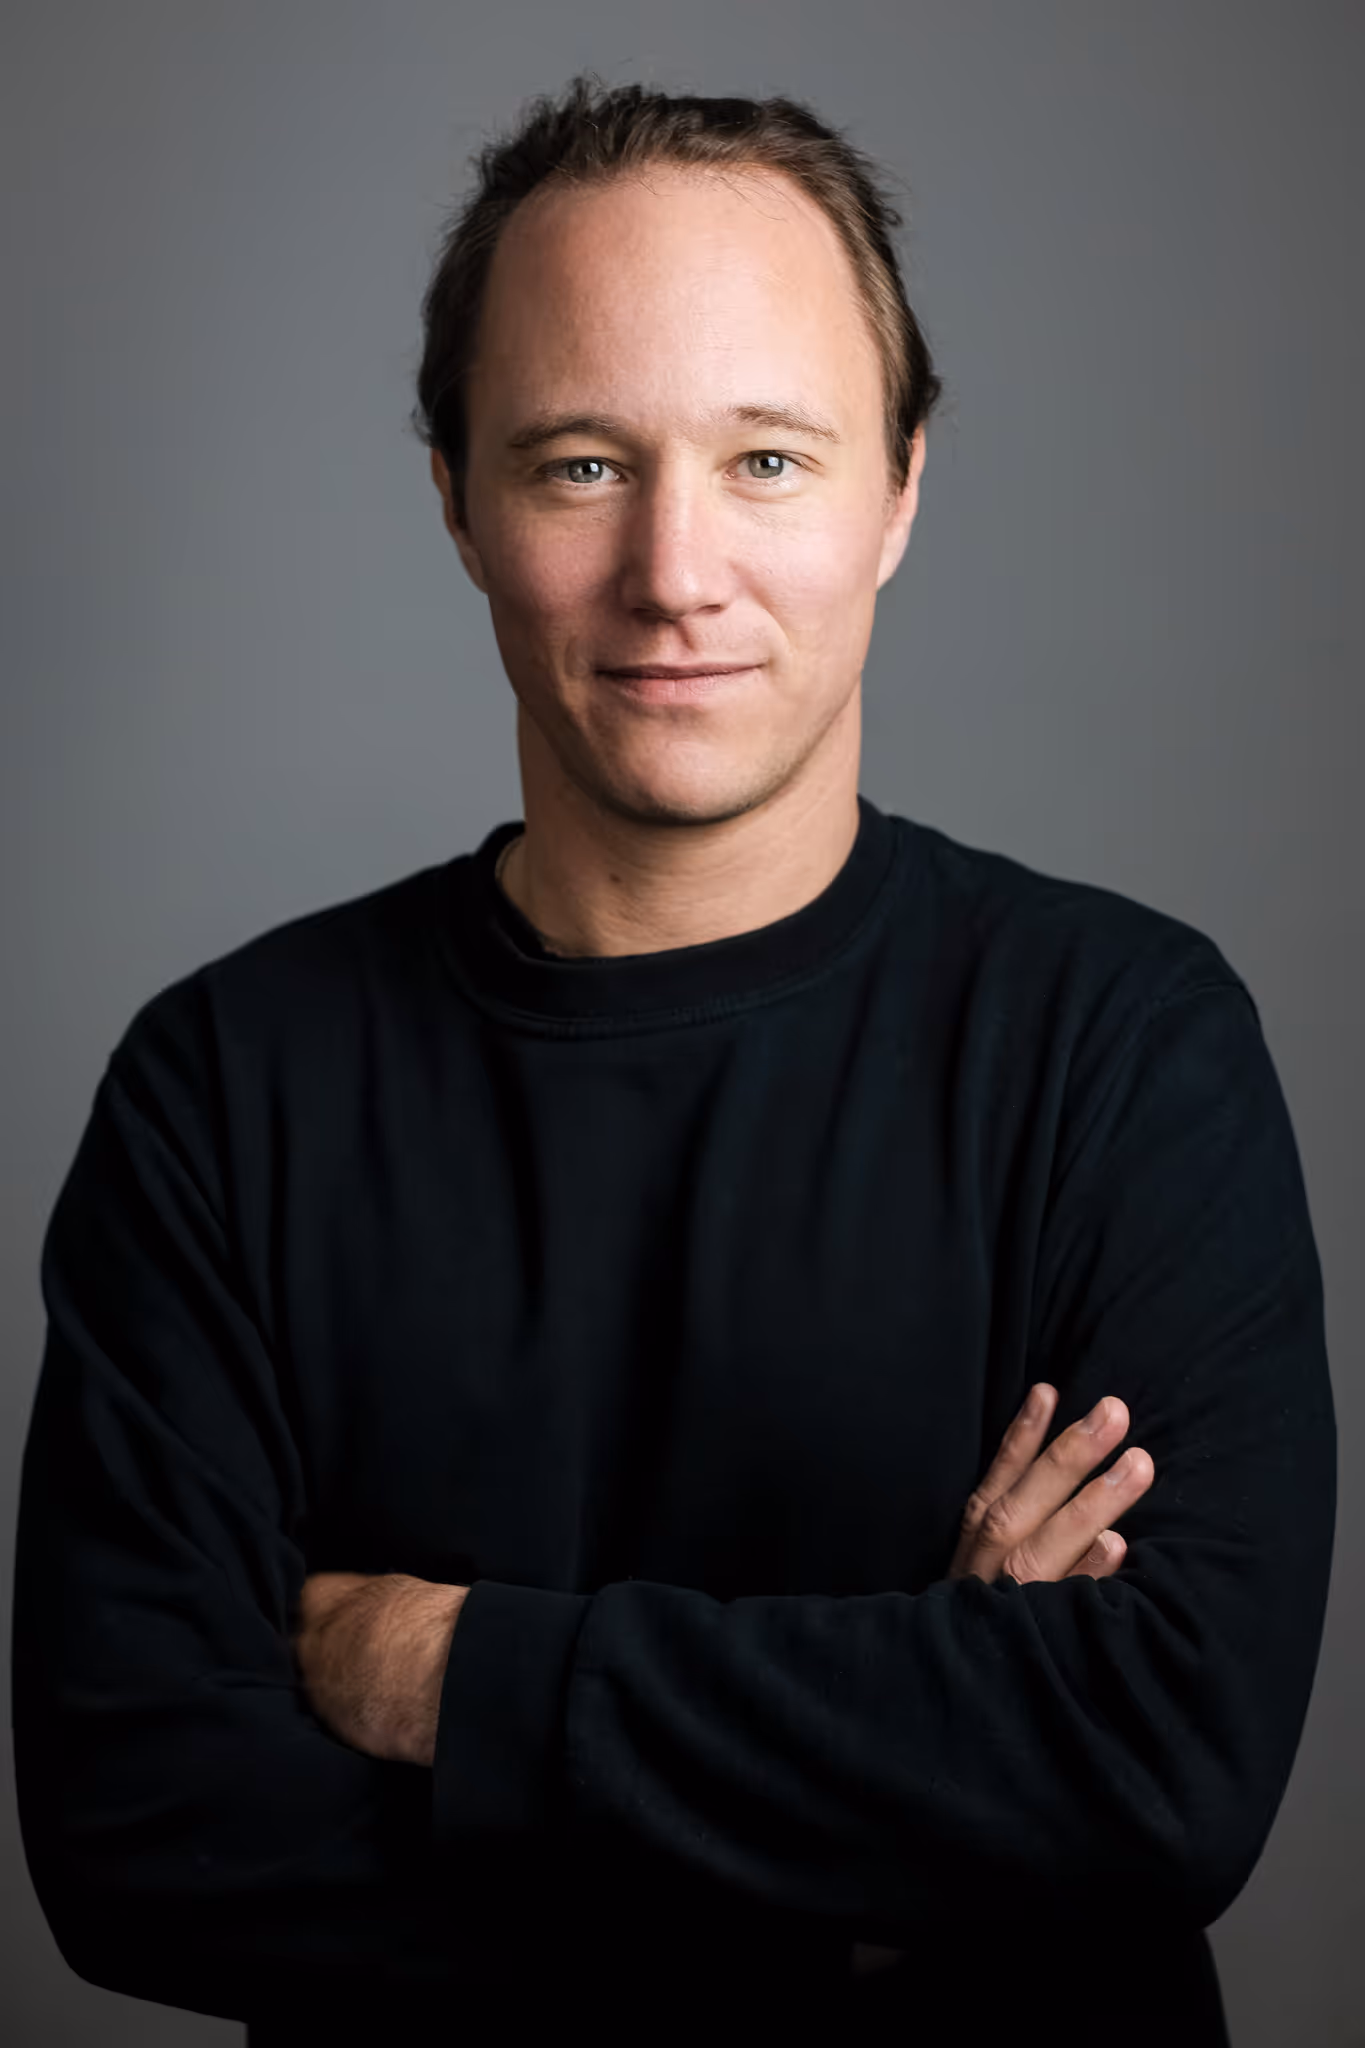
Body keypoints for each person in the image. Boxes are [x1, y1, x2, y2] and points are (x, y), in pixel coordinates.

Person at [12, 74, 1335, 2048]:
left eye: (769, 460)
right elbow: (138, 1826)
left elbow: (1160, 1766)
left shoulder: (1126, 1049)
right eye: (576, 465)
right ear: (453, 492)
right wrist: (900, 1852)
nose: (675, 573)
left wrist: (452, 1677)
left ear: (901, 485)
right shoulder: (229, 1090)